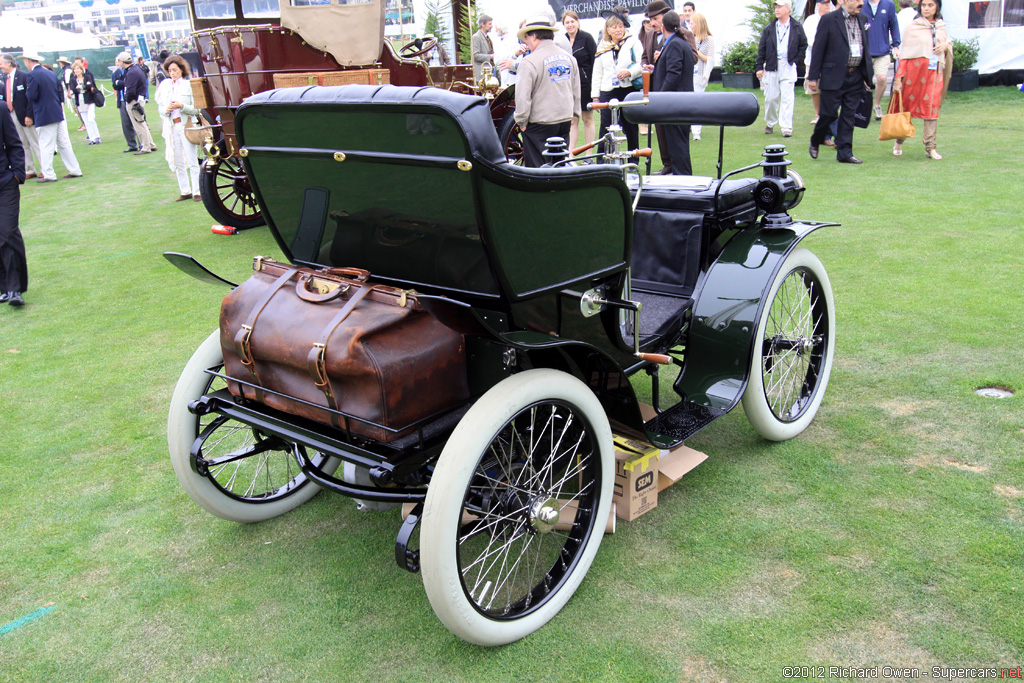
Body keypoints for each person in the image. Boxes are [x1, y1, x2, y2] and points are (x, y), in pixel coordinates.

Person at [806, 0, 873, 164]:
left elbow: (865, 48)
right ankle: (816, 139)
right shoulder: (829, 19)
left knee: (848, 116)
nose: (861, 3)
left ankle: (845, 153)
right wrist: (813, 76)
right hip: (833, 75)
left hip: (855, 75)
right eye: (857, 0)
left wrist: (867, 76)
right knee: (828, 114)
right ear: (846, 1)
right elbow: (818, 48)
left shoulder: (863, 20)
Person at [513, 16, 580, 167]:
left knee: (539, 169)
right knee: (560, 165)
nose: (526, 42)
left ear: (534, 36)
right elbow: (576, 89)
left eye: (527, 37)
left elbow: (523, 95)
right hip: (564, 119)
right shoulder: (569, 58)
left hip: (539, 123)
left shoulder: (529, 61)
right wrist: (574, 114)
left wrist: (521, 120)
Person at [890, 0, 952, 159]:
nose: (926, 8)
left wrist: (945, 46)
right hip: (913, 74)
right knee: (907, 107)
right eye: (924, 5)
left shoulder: (940, 26)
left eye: (930, 5)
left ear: (937, 6)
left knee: (931, 108)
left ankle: (930, 148)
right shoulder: (913, 26)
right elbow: (904, 55)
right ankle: (899, 140)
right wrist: (899, 79)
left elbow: (947, 47)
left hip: (933, 74)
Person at [22, 52, 83, 182]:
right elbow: (58, 91)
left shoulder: (32, 75)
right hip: (56, 112)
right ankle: (75, 169)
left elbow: (32, 95)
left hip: (44, 114)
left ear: (28, 60)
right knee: (64, 144)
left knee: (46, 145)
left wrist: (28, 91)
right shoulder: (50, 73)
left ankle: (49, 174)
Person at [593, 9, 643, 163]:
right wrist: (595, 96)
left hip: (628, 89)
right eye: (614, 27)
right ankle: (602, 161)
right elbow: (597, 72)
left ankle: (633, 160)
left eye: (620, 26)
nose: (618, 30)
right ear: (608, 29)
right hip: (608, 90)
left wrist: (629, 72)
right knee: (606, 126)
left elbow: (643, 64)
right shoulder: (603, 45)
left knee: (630, 126)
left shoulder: (633, 41)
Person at [651, 10, 695, 175]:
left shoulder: (675, 43)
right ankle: (680, 176)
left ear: (663, 27)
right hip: (680, 101)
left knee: (678, 145)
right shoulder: (679, 42)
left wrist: (661, 97)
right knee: (677, 144)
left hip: (676, 103)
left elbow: (674, 73)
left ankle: (683, 178)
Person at [756, 0, 808, 138]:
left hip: (788, 64)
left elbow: (803, 45)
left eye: (780, 7)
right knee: (771, 98)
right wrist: (759, 67)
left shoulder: (797, 27)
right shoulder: (769, 28)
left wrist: (796, 61)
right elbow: (762, 49)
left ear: (788, 8)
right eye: (776, 7)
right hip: (772, 65)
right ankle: (770, 122)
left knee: (787, 98)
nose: (777, 9)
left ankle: (786, 127)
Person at [158, 54, 202, 200]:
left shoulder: (188, 85)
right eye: (170, 71)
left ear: (182, 70)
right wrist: (167, 109)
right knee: (177, 160)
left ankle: (197, 191)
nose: (173, 73)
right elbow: (160, 108)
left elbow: (197, 109)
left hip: (186, 125)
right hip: (172, 126)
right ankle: (185, 190)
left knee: (192, 159)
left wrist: (181, 106)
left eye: (175, 70)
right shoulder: (166, 86)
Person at [0, 97, 26, 307]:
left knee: (8, 232)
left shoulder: (0, 108)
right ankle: (4, 287)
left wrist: (16, 175)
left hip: (5, 184)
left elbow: (14, 144)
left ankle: (15, 288)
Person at [0, 54, 41, 180]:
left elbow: (30, 98)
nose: (0, 66)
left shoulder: (23, 76)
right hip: (12, 115)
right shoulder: (4, 78)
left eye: (1, 63)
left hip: (25, 116)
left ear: (8, 63)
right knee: (22, 143)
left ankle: (45, 169)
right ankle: (30, 169)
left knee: (34, 142)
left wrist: (29, 115)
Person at [564, 10, 597, 149]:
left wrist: (594, 87)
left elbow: (595, 61)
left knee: (587, 119)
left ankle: (589, 155)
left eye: (572, 21)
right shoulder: (561, 39)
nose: (570, 25)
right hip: (568, 85)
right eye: (567, 22)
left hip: (585, 84)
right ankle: (570, 154)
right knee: (572, 121)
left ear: (578, 22)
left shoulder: (587, 38)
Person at [863, 0, 901, 119]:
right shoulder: (861, 3)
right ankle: (861, 108)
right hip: (864, 52)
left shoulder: (888, 4)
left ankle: (877, 105)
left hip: (882, 51)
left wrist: (896, 45)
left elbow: (894, 25)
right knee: (863, 83)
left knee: (882, 78)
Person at [120, 51, 158, 155]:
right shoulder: (135, 69)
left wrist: (128, 100)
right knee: (142, 123)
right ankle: (150, 144)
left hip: (134, 101)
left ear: (123, 61)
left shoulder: (132, 72)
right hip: (138, 99)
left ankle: (146, 147)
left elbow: (130, 90)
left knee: (138, 125)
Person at [690, 13, 715, 141]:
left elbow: (709, 59)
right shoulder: (690, 38)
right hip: (689, 74)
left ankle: (696, 131)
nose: (691, 25)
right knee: (688, 101)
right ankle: (690, 127)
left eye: (693, 23)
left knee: (697, 103)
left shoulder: (708, 40)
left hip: (700, 75)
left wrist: (696, 51)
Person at [68, 61, 101, 145]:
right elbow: (74, 89)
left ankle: (97, 137)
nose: (76, 70)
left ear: (81, 69)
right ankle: (91, 138)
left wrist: (82, 87)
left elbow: (90, 86)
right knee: (86, 121)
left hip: (89, 101)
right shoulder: (73, 79)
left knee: (91, 119)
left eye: (78, 68)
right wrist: (82, 88)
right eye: (75, 69)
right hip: (80, 102)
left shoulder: (87, 77)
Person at [112, 55, 139, 153]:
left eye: (119, 61)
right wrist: (120, 83)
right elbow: (115, 85)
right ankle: (132, 144)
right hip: (122, 100)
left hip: (132, 99)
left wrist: (121, 83)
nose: (118, 63)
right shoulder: (117, 72)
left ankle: (142, 144)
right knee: (126, 124)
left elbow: (128, 84)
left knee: (137, 122)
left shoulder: (131, 70)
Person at [471, 15, 495, 84]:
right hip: (480, 75)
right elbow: (475, 55)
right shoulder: (476, 37)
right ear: (483, 25)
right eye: (489, 24)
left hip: (488, 73)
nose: (492, 26)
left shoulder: (487, 37)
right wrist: (490, 57)